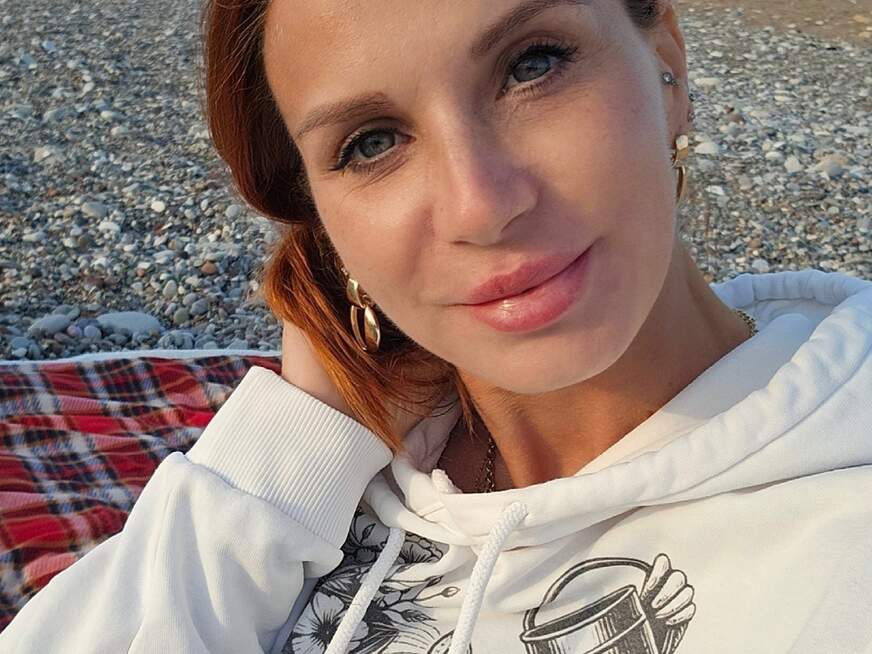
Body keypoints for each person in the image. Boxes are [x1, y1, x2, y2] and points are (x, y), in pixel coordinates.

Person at [2, 1, 871, 652]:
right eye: (372, 142)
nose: (480, 206)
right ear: (324, 220)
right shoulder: (332, 454)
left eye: (533, 65)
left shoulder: (840, 543)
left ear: (666, 66)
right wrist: (291, 448)